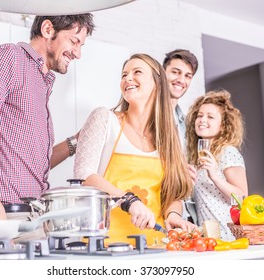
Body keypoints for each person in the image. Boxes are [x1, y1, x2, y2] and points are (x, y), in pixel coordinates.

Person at [0, 15, 95, 227]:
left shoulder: (40, 81)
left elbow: (30, 165)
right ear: (47, 29)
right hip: (3, 217)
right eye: (74, 41)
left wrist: (76, 142)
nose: (78, 53)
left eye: (81, 45)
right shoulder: (8, 58)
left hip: (34, 218)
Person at [74, 53, 196, 246]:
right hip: (106, 243)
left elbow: (172, 192)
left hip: (156, 244)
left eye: (136, 72)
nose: (127, 79)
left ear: (157, 83)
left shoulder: (168, 136)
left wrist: (174, 214)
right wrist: (130, 201)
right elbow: (84, 174)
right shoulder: (105, 119)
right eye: (124, 75)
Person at [185, 89, 249, 240]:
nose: (202, 120)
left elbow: (242, 199)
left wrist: (215, 176)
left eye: (210, 117)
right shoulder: (196, 156)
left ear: (223, 126)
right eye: (199, 115)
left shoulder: (228, 152)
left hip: (228, 236)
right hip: (209, 236)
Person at [163, 49, 199, 224]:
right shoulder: (147, 115)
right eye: (175, 72)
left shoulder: (184, 122)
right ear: (163, 73)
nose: (181, 80)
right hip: (160, 212)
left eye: (187, 76)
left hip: (186, 212)